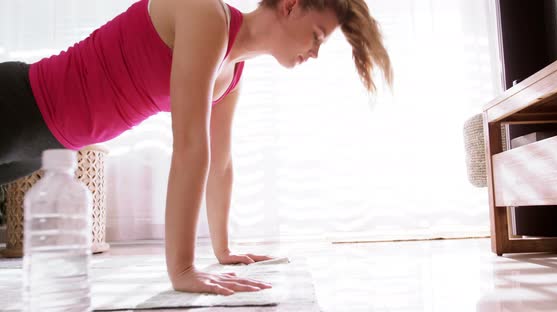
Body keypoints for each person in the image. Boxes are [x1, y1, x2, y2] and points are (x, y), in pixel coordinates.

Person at [0, 0, 392, 295]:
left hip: (40, 146)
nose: (315, 52)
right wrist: (183, 270)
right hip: (15, 107)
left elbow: (220, 164)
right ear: (290, 5)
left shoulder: (233, 73)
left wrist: (223, 249)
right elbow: (189, 145)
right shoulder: (205, 14)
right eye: (318, 36)